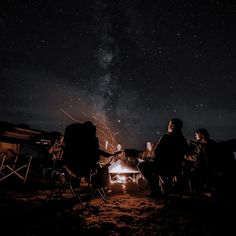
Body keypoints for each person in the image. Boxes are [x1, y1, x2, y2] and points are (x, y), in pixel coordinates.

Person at [137, 118, 188, 197]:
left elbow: (157, 152)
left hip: (165, 167)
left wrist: (154, 159)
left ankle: (156, 190)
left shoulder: (166, 137)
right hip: (177, 168)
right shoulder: (183, 140)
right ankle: (164, 186)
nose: (168, 126)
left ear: (173, 126)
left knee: (141, 165)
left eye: (169, 124)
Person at [185, 128, 236, 200]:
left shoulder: (201, 144)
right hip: (214, 167)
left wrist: (186, 156)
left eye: (196, 135)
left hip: (205, 168)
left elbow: (196, 158)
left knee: (191, 174)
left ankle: (195, 193)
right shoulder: (213, 143)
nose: (195, 137)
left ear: (201, 135)